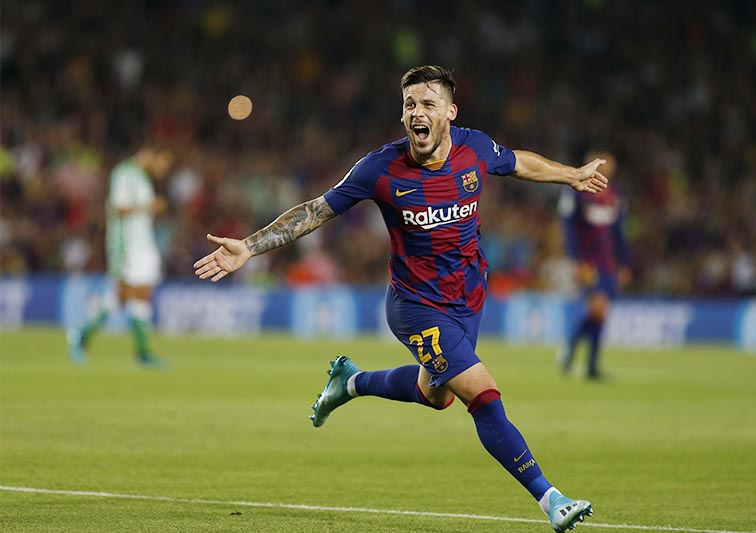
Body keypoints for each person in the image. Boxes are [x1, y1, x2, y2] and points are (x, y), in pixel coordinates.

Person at [193, 66, 605, 532]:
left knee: (436, 396)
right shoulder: (380, 168)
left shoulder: (474, 148)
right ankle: (550, 498)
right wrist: (250, 245)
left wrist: (571, 176)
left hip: (468, 296)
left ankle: (350, 382)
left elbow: (519, 162)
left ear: (450, 112)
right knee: (483, 396)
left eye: (428, 104)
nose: (416, 113)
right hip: (415, 306)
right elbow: (315, 211)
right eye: (410, 104)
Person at [67, 144, 174, 367]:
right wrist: (149, 207)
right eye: (164, 163)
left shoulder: (142, 178)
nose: (164, 170)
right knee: (124, 293)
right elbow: (119, 208)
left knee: (141, 294)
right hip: (127, 244)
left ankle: (142, 352)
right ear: (152, 155)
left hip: (144, 244)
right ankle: (82, 335)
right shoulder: (124, 173)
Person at [557, 151, 631, 379]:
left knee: (601, 314)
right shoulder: (577, 192)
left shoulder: (615, 195)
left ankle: (589, 364)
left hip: (608, 262)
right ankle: (571, 350)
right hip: (588, 262)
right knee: (597, 308)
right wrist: (576, 260)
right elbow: (568, 228)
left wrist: (624, 263)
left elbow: (619, 232)